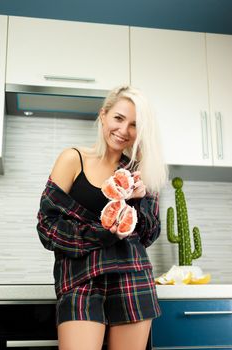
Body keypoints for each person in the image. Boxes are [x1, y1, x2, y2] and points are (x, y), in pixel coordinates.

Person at [37, 85, 168, 350]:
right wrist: (103, 233)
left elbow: (149, 234)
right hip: (80, 278)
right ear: (103, 115)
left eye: (134, 125)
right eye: (118, 118)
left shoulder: (139, 171)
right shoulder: (73, 159)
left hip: (132, 276)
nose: (123, 130)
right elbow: (47, 227)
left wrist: (138, 199)